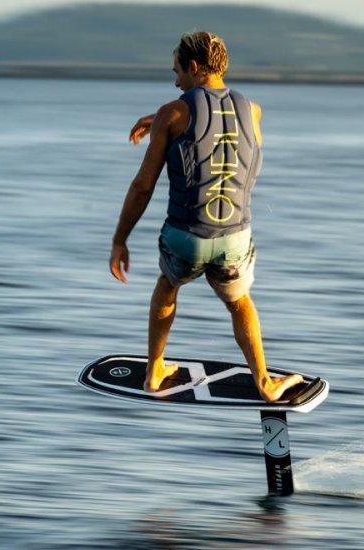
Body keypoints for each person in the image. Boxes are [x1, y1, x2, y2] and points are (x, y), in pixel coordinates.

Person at [108, 31, 305, 403]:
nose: (175, 80)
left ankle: (155, 372)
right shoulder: (255, 109)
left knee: (168, 285)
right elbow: (217, 128)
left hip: (186, 239)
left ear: (195, 67)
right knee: (239, 301)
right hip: (234, 239)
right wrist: (162, 119)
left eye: (178, 71)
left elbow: (142, 186)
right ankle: (264, 381)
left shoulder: (173, 112)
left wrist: (120, 240)